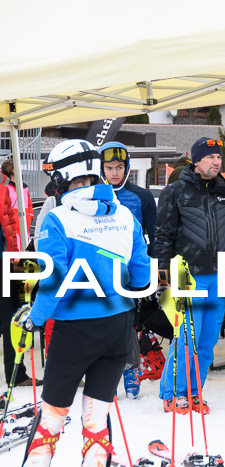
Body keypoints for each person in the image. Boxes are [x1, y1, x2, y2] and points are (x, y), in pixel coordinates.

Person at [19, 139, 150, 466]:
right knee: (95, 418)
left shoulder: (57, 219)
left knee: (51, 417)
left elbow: (53, 281)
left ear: (66, 176)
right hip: (118, 326)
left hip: (75, 330)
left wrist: (34, 318)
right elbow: (142, 278)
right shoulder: (123, 213)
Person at [154, 137, 225, 414]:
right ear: (196, 161)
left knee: (207, 340)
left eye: (218, 157)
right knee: (186, 338)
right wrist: (163, 276)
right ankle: (174, 392)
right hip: (187, 275)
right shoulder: (175, 191)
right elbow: (163, 235)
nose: (216, 162)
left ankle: (195, 391)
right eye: (210, 157)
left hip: (219, 276)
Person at [98, 141, 157, 400]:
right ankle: (104, 377)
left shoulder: (141, 197)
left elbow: (154, 236)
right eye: (109, 167)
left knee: (128, 325)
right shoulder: (94, 196)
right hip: (98, 273)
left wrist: (150, 272)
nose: (114, 173)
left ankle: (131, 372)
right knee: (101, 326)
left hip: (130, 274)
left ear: (127, 168)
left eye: (119, 167)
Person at [0, 175, 27, 389]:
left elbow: (13, 223)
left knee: (14, 316)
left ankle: (16, 374)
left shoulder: (6, 185)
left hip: (9, 260)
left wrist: (17, 256)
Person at [1, 159, 34, 242]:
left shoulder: (25, 188)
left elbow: (29, 204)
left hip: (25, 224)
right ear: (11, 170)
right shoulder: (5, 188)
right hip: (11, 225)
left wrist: (30, 215)